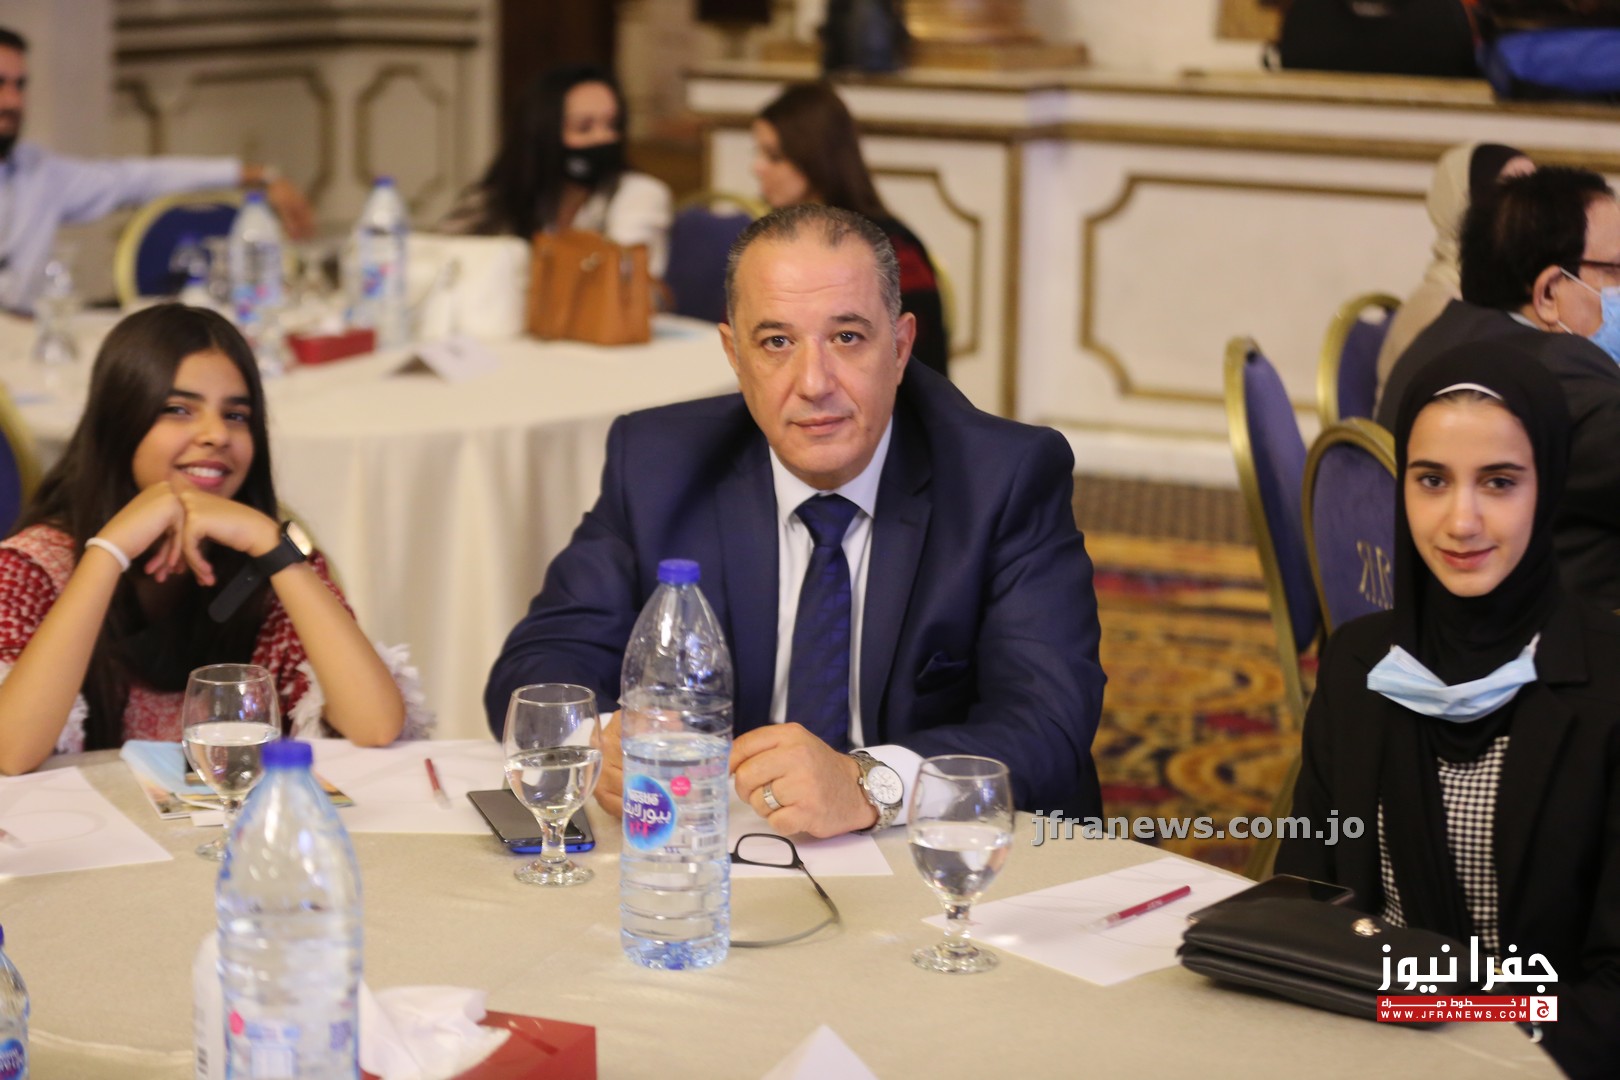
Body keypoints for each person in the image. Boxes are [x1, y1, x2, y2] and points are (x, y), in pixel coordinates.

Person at [485, 204, 1104, 836]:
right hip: (720, 848)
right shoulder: (657, 464)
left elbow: (1048, 722)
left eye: (847, 337)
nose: (814, 383)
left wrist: (867, 784)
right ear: (734, 354)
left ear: (900, 347)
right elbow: (539, 663)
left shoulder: (1002, 477)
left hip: (936, 849)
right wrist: (599, 740)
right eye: (777, 342)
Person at [1278, 343, 1620, 1076]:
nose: (1461, 521)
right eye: (1432, 480)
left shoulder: (1609, 687)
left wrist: (1445, 1019)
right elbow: (1306, 901)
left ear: (1549, 487)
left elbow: (1614, 995)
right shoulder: (1361, 664)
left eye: (1499, 482)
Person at [0, 304, 430, 775]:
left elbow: (375, 724)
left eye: (237, 415)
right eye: (178, 410)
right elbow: (10, 752)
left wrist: (269, 542)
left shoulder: (270, 560)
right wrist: (108, 552)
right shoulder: (33, 567)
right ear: (119, 422)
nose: (216, 434)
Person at [1377, 166, 1620, 608]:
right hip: (1547, 634)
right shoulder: (1559, 372)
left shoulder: (1440, 334)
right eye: (1617, 271)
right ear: (1549, 293)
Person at [0, 26, 313, 314]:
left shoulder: (38, 172)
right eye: (0, 84)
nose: (13, 101)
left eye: (20, 85)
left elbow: (138, 179)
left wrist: (258, 176)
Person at [752, 81, 950, 378]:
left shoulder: (893, 250)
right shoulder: (771, 243)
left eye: (774, 156)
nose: (757, 168)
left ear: (813, 157)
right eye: (759, 153)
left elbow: (921, 371)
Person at [438, 65, 672, 277]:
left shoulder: (639, 193)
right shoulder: (500, 195)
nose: (604, 137)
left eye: (612, 125)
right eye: (584, 127)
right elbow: (441, 256)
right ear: (542, 135)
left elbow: (624, 275)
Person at [1374, 142, 1534, 407]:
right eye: (1513, 192)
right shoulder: (1438, 306)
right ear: (1465, 204)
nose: (1533, 209)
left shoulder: (1517, 291)